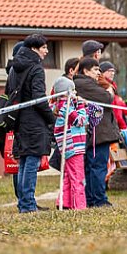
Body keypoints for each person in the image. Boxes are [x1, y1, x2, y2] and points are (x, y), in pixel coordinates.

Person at [9, 34, 52, 213]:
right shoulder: (36, 68)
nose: (46, 51)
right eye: (43, 48)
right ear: (34, 48)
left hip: (19, 119)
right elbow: (39, 98)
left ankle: (24, 203)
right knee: (31, 162)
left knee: (24, 161)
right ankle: (27, 204)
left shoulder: (14, 68)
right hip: (34, 121)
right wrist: (52, 118)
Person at [73, 57, 116, 208]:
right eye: (96, 70)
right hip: (97, 132)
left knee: (92, 167)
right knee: (98, 166)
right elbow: (106, 98)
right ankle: (98, 199)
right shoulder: (85, 84)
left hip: (94, 132)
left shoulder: (85, 83)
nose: (99, 73)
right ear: (85, 71)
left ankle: (92, 198)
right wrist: (109, 89)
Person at [52, 79, 88, 210]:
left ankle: (64, 202)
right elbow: (80, 120)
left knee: (68, 176)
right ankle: (79, 205)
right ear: (65, 92)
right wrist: (80, 105)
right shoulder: (65, 106)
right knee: (78, 177)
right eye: (72, 90)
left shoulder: (63, 105)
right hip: (73, 146)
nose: (75, 93)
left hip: (69, 147)